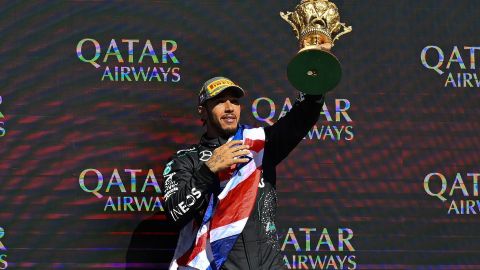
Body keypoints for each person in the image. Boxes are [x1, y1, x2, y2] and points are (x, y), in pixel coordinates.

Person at [162, 76, 324, 270]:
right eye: (220, 102)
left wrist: (315, 77)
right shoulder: (186, 160)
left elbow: (301, 118)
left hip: (270, 265)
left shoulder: (260, 144)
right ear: (202, 112)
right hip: (215, 265)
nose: (229, 107)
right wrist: (208, 171)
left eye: (235, 101)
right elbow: (174, 213)